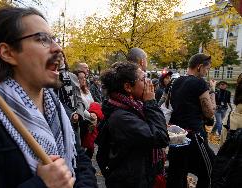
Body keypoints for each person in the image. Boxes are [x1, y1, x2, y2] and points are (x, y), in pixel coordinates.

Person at [0, 7, 97, 188]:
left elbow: (81, 163)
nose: (58, 48)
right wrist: (41, 184)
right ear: (7, 53)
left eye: (53, 39)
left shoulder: (56, 109)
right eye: (42, 39)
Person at [99, 62, 169, 188]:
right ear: (128, 87)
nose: (149, 83)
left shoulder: (133, 106)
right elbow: (160, 137)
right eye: (143, 79)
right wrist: (151, 103)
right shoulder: (121, 117)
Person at [167, 53, 216, 188]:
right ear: (200, 67)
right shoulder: (199, 83)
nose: (207, 72)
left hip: (177, 135)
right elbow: (210, 113)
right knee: (210, 169)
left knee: (177, 172)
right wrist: (212, 91)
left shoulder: (175, 81)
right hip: (195, 135)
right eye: (207, 69)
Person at [220, 73, 242, 146]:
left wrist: (231, 108)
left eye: (224, 84)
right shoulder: (218, 92)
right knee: (218, 123)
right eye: (221, 84)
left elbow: (222, 147)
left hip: (226, 111)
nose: (222, 86)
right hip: (220, 109)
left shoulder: (228, 92)